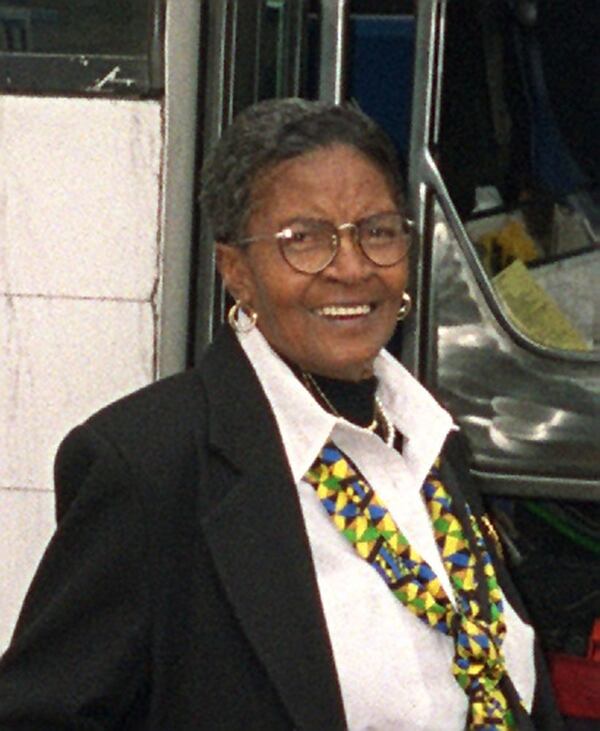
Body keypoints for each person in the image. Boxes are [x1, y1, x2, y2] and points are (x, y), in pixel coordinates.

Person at [0, 98, 562, 730]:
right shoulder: (150, 466)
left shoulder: (428, 443)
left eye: (376, 230)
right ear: (236, 270)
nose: (351, 268)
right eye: (305, 240)